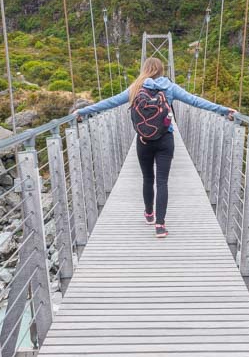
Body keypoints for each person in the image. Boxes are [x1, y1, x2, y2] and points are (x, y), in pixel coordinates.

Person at [76, 57, 234, 238]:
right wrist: (224, 110)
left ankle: (149, 214)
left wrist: (82, 111)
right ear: (162, 70)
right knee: (162, 181)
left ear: (145, 69)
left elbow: (110, 102)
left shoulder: (136, 88)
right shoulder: (170, 88)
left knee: (147, 178)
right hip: (165, 139)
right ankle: (160, 225)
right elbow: (196, 101)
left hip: (143, 140)